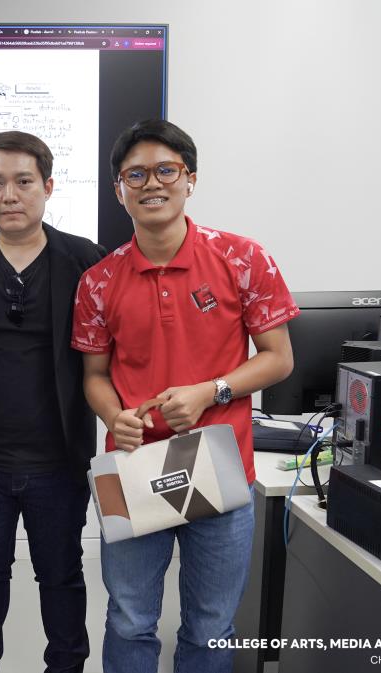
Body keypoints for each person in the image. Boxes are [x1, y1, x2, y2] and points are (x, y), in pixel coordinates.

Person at [72, 119, 298, 673]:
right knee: (128, 620)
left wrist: (210, 392)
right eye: (136, 174)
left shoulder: (243, 258)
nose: (152, 183)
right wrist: (115, 415)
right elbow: (95, 375)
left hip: (221, 465)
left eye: (166, 170)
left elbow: (278, 357)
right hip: (133, 467)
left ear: (190, 180)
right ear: (119, 189)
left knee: (211, 625)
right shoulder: (99, 281)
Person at [0, 131, 105, 673]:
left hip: (58, 460)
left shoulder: (84, 258)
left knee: (61, 577)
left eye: (23, 181)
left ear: (48, 187)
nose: (9, 195)